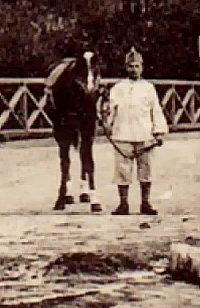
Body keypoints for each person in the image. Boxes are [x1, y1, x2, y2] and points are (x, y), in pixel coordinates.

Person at [103, 47, 168, 216]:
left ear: (142, 67)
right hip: (122, 134)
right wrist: (108, 124)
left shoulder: (149, 88)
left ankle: (145, 203)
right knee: (122, 170)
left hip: (144, 134)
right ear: (126, 67)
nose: (134, 69)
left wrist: (159, 131)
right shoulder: (117, 88)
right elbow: (111, 110)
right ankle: (123, 204)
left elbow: (156, 110)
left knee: (146, 169)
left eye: (137, 66)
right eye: (131, 66)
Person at [48, 48, 102, 211]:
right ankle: (67, 187)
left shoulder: (93, 72)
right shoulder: (71, 70)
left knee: (87, 149)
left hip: (86, 109)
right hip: (68, 111)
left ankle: (88, 188)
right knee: (65, 151)